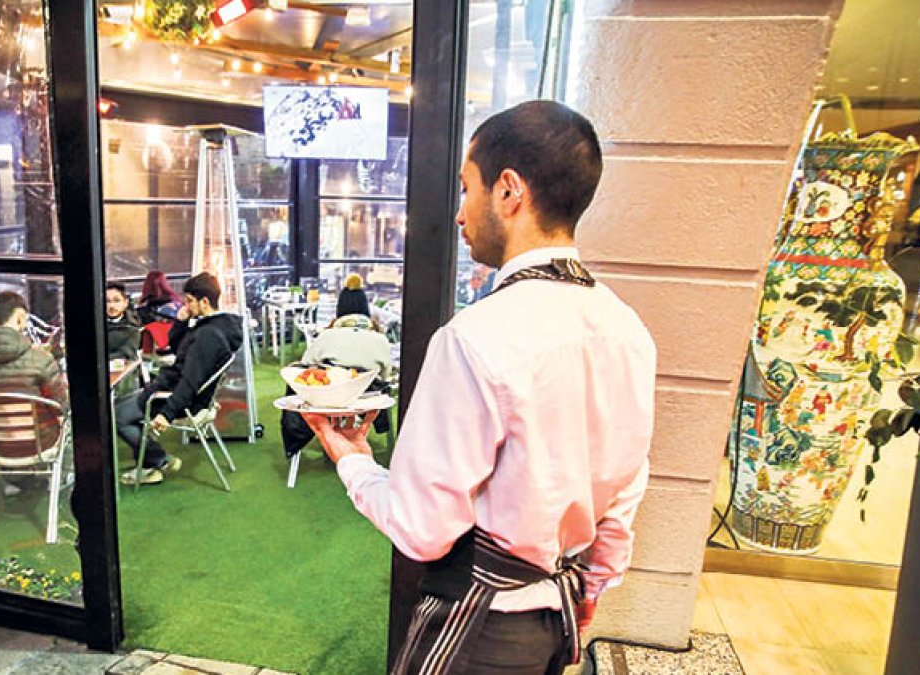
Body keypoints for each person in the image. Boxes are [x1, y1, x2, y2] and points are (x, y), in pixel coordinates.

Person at [303, 100, 656, 674]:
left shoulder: (476, 337)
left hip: (482, 630)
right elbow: (624, 490)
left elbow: (422, 531)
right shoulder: (628, 328)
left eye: (467, 188)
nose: (461, 215)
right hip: (556, 620)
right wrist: (590, 588)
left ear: (509, 191)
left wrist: (352, 459)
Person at [114, 272, 244, 486]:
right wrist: (182, 322)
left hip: (178, 398)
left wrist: (167, 414)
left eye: (189, 301)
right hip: (177, 391)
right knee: (122, 407)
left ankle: (157, 462)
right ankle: (154, 461)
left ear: (204, 301)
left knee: (118, 416)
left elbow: (190, 382)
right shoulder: (217, 326)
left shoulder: (207, 336)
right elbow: (176, 348)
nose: (185, 305)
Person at [0, 291, 68, 492]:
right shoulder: (40, 359)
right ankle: (59, 476)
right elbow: (62, 405)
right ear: (20, 318)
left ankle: (12, 480)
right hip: (40, 443)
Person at [280, 282, 393, 458]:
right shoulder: (380, 339)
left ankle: (295, 442)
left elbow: (306, 364)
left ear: (340, 309)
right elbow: (386, 375)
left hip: (328, 397)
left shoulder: (327, 335)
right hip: (367, 399)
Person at [104, 282, 142, 362]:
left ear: (125, 303)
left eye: (117, 300)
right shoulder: (96, 326)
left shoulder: (132, 328)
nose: (112, 306)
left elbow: (125, 353)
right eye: (107, 301)